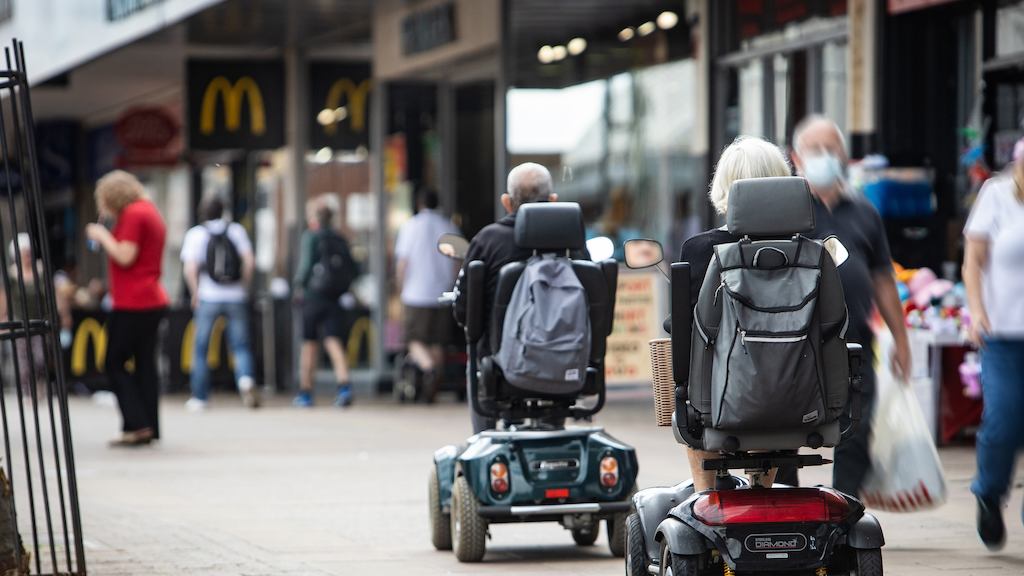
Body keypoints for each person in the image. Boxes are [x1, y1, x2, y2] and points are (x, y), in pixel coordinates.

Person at [790, 115, 912, 497]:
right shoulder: (786, 209)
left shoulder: (865, 212)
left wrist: (902, 341)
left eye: (832, 149)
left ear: (843, 155)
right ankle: (783, 508)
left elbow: (882, 279)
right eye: (816, 150)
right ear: (797, 157)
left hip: (855, 343)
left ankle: (844, 515)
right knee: (782, 432)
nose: (825, 156)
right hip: (795, 347)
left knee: (856, 431)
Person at [676, 135, 793, 491]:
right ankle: (763, 489)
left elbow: (686, 328)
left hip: (721, 398)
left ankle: (705, 493)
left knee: (690, 384)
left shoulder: (700, 250)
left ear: (725, 186)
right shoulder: (811, 252)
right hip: (794, 396)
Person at [454, 162, 582, 433]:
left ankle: (484, 436)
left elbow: (465, 311)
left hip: (500, 368)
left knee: (476, 350)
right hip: (567, 368)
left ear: (507, 202)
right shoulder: (575, 244)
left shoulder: (486, 241)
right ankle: (551, 428)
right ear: (553, 200)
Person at [962, 138, 1024, 551]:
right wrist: (977, 310)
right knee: (1004, 420)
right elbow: (974, 261)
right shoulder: (996, 196)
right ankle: (988, 490)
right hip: (1003, 336)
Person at [85, 170, 168, 446]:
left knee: (113, 361)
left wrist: (102, 235)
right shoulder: (149, 210)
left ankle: (138, 423)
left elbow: (125, 255)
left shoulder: (133, 214)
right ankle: (148, 426)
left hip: (134, 301)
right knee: (144, 364)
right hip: (150, 299)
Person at [180, 196, 258, 412]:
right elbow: (249, 262)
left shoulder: (196, 234)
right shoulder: (236, 231)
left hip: (208, 296)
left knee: (201, 348)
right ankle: (245, 380)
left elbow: (190, 268)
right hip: (236, 297)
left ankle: (200, 396)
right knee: (240, 345)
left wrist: (195, 292)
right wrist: (243, 286)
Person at [394, 187, 458, 401]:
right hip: (442, 291)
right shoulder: (448, 226)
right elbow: (458, 261)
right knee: (437, 342)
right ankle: (433, 386)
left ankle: (428, 368)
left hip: (415, 293)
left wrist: (399, 288)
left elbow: (403, 263)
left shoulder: (410, 226)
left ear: (419, 204)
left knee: (414, 338)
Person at [293, 196, 355, 408]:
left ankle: (306, 392)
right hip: (334, 298)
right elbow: (354, 269)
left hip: (313, 297)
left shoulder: (311, 237)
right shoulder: (340, 239)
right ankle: (344, 385)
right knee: (333, 342)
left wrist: (298, 286)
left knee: (309, 344)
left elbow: (305, 266)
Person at [0, 234, 48, 395]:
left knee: (40, 358)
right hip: (19, 322)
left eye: (28, 252)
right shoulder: (11, 275)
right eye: (23, 253)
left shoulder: (40, 271)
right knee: (23, 360)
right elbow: (4, 298)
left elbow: (50, 295)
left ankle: (39, 384)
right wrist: (2, 319)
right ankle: (28, 391)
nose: (27, 256)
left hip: (39, 322)